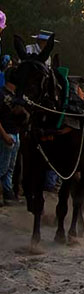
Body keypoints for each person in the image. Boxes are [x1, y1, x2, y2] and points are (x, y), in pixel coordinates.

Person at [0, 75, 26, 205]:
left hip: (15, 133)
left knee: (10, 167)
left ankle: (8, 192)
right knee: (2, 167)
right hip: (6, 133)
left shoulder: (17, 96)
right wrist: (4, 135)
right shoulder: (1, 94)